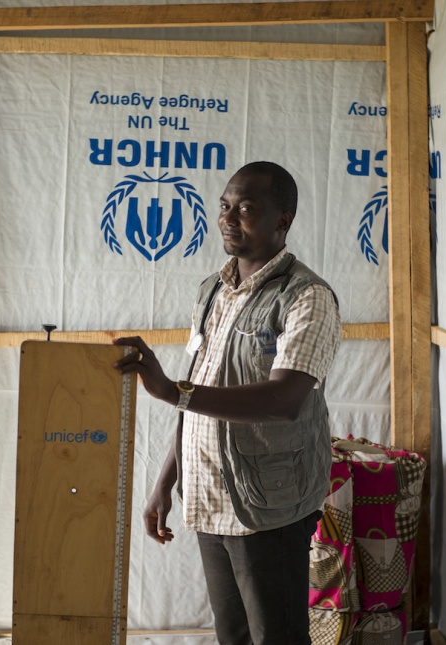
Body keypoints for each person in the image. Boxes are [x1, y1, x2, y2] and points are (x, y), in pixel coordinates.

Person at [112, 161, 341, 645]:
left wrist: (173, 389)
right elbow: (199, 394)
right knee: (233, 637)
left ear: (283, 219)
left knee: (275, 638)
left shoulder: (307, 297)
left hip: (268, 504)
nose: (228, 218)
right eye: (224, 206)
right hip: (210, 495)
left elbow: (284, 400)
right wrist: (166, 480)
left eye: (246, 209)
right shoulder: (212, 290)